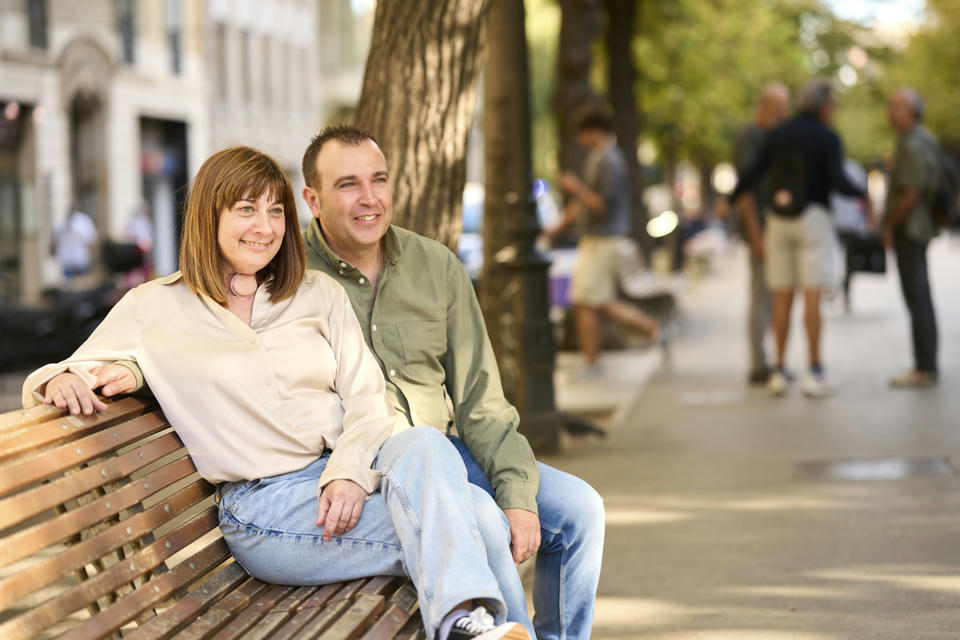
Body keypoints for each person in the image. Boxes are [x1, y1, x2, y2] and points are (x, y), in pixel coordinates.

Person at [21, 146, 531, 640]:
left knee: (426, 445)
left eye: (275, 211)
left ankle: (466, 626)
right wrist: (62, 379)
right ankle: (479, 627)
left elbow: (368, 399)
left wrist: (349, 473)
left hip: (346, 476)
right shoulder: (154, 307)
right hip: (268, 507)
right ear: (208, 217)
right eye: (246, 210)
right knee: (479, 521)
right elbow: (61, 371)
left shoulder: (315, 293)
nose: (264, 227)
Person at [299, 125, 604, 640]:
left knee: (580, 511)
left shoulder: (435, 265)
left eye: (379, 180)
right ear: (313, 199)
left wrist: (518, 493)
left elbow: (480, 398)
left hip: (446, 450)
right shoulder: (291, 276)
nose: (370, 198)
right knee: (482, 517)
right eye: (348, 184)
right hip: (361, 467)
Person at [731, 79, 872, 398]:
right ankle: (815, 369)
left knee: (781, 297)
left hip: (778, 221)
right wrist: (863, 194)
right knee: (811, 297)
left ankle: (778, 369)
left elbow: (751, 174)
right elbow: (838, 182)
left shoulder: (777, 134)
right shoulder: (827, 136)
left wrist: (730, 198)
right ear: (824, 107)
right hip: (812, 219)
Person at [545, 106, 659, 377]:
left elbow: (600, 205)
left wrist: (575, 188)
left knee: (585, 300)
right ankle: (652, 330)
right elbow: (585, 203)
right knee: (599, 302)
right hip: (598, 240)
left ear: (593, 131)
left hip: (602, 240)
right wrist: (558, 225)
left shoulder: (609, 161)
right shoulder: (601, 158)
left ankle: (594, 362)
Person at [732, 83, 791, 384]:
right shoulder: (751, 138)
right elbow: (745, 193)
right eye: (780, 108)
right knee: (761, 295)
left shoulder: (769, 137)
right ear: (765, 107)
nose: (785, 113)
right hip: (761, 228)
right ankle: (759, 362)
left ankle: (771, 360)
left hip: (774, 226)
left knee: (773, 295)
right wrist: (755, 235)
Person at [884, 88, 940, 388]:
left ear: (910, 111)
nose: (890, 112)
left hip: (912, 228)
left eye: (895, 107)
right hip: (920, 225)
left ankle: (925, 365)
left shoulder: (912, 143)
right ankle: (925, 362)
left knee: (917, 295)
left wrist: (889, 225)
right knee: (920, 296)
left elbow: (912, 191)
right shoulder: (923, 138)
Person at [54, 205, 98, 281]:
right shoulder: (84, 221)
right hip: (79, 259)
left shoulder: (61, 222)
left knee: (68, 285)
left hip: (66, 259)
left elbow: (55, 242)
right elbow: (91, 241)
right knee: (82, 284)